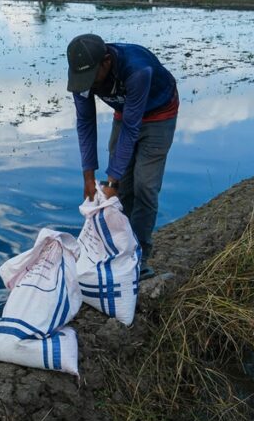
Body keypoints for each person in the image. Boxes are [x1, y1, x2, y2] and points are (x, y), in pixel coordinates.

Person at [66, 34, 178, 280]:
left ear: (106, 62)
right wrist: (88, 176)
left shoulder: (138, 69)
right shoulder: (81, 74)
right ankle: (117, 252)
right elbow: (85, 122)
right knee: (120, 191)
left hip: (159, 113)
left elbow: (132, 127)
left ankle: (139, 259)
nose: (88, 85)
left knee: (145, 186)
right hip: (125, 112)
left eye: (91, 78)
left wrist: (111, 180)